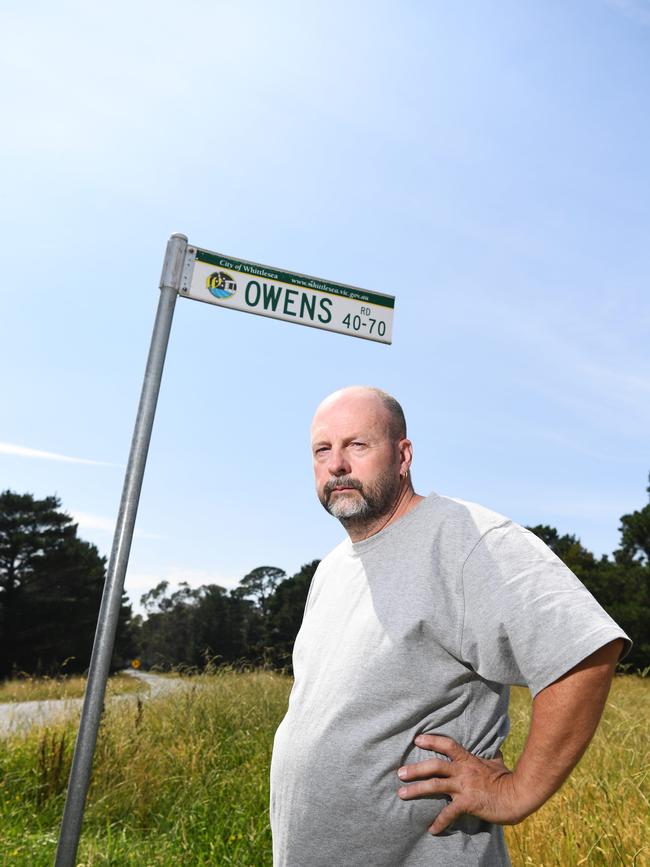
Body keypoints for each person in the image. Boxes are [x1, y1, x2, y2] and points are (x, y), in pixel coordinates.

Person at [270, 386, 631, 867]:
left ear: (403, 455)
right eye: (323, 449)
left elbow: (585, 647)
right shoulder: (332, 568)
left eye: (358, 445)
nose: (337, 464)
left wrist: (516, 793)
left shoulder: (465, 538)